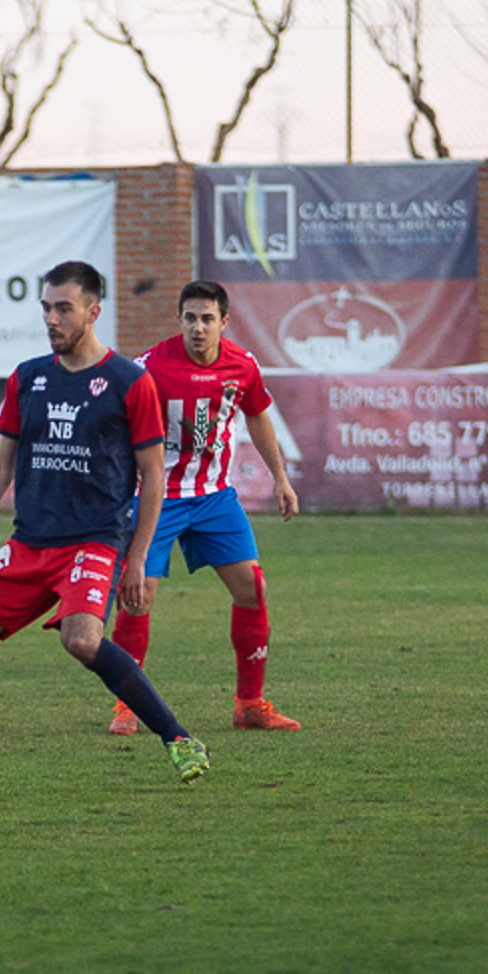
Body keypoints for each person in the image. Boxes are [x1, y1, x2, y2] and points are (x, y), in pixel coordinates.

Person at [0, 260, 209, 792]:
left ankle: (178, 738)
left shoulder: (129, 383)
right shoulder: (28, 377)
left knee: (82, 639)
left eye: (64, 308)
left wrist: (136, 558)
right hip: (30, 542)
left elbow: (153, 477)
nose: (52, 318)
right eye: (47, 307)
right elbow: (2, 464)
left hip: (94, 541)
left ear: (94, 312)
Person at [106, 280, 303, 734]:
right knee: (139, 597)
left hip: (214, 497)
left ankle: (249, 706)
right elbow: (117, 422)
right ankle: (127, 706)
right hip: (157, 498)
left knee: (253, 589)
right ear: (179, 321)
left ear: (223, 322)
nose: (198, 327)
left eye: (207, 318)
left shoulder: (242, 365)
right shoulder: (149, 368)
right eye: (190, 318)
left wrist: (280, 478)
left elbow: (257, 414)